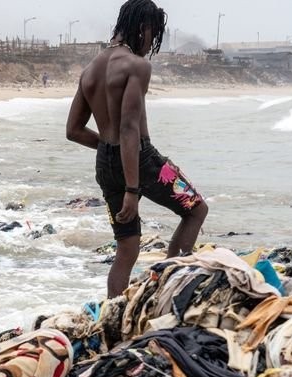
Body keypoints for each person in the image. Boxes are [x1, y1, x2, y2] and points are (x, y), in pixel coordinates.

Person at [66, 0, 208, 298]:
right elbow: (129, 128)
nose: (151, 44)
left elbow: (74, 131)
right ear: (142, 27)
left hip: (106, 163)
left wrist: (109, 151)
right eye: (153, 35)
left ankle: (113, 316)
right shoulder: (136, 66)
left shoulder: (90, 70)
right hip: (142, 160)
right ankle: (168, 290)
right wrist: (132, 188)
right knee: (196, 209)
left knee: (127, 247)